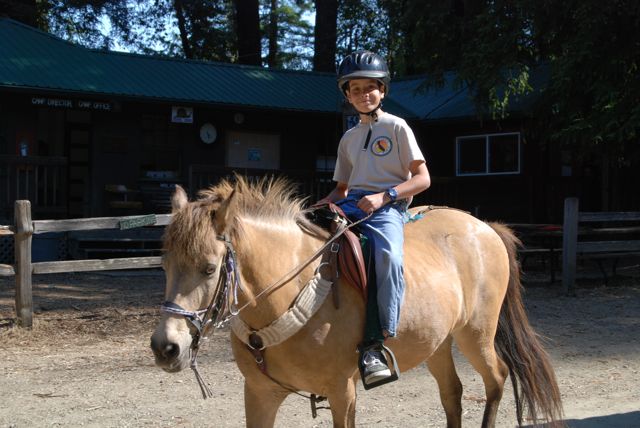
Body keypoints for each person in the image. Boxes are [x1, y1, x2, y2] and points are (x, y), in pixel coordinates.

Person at [320, 50, 431, 387]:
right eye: (355, 89)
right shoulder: (349, 138)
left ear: (382, 90)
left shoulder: (397, 127)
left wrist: (386, 196)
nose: (363, 94)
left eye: (370, 87)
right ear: (347, 95)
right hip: (352, 204)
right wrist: (317, 205)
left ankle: (380, 337)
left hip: (388, 207)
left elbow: (423, 179)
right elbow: (341, 189)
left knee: (388, 256)